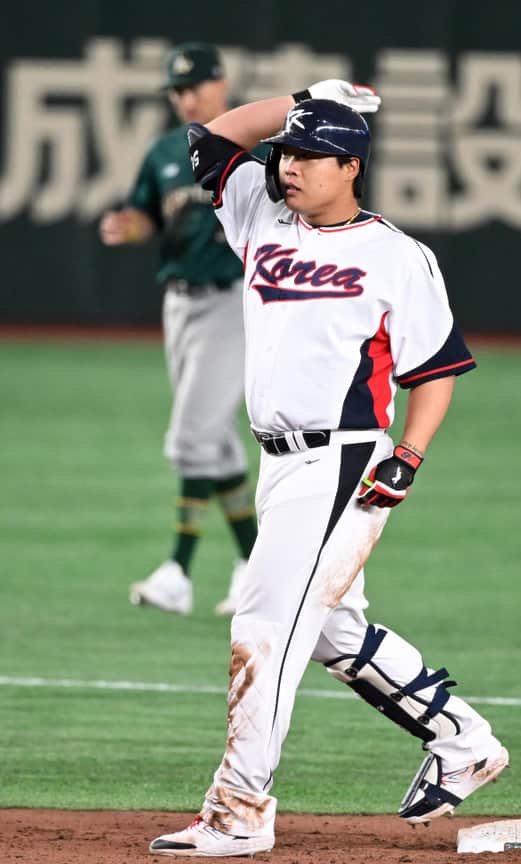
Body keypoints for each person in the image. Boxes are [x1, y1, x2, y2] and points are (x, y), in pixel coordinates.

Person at [148, 79, 508, 857]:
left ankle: (239, 811)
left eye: (311, 155)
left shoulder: (398, 256)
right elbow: (212, 139)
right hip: (279, 463)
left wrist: (409, 455)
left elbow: (434, 370)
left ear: (352, 167)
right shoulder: (260, 216)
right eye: (287, 153)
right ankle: (463, 740)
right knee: (331, 629)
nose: (290, 166)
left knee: (264, 625)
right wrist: (301, 99)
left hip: (344, 462)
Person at [100, 42, 256, 618]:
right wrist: (132, 227)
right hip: (180, 305)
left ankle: (178, 572)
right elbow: (147, 216)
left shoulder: (252, 145)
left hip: (234, 301)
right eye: (178, 90)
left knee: (191, 438)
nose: (187, 98)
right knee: (215, 439)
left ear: (221, 84)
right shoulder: (166, 151)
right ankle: (254, 563)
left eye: (196, 86)